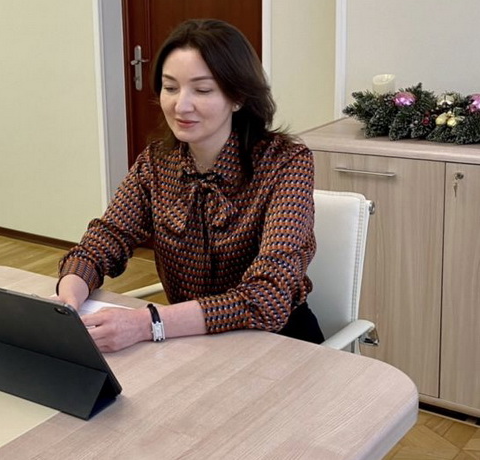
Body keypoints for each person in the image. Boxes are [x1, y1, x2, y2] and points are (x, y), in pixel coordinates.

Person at [56, 18, 324, 352]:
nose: (180, 106)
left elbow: (267, 297)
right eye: (170, 88)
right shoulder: (157, 162)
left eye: (202, 90)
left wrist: (146, 323)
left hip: (276, 342)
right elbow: (106, 239)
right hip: (187, 339)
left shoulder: (285, 162)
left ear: (238, 96)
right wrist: (70, 297)